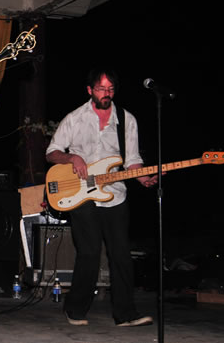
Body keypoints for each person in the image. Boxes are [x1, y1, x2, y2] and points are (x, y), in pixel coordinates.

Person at [45, 68, 155, 327]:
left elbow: (132, 160)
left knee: (121, 254)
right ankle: (75, 309)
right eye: (101, 89)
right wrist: (72, 157)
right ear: (89, 90)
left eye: (110, 90)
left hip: (114, 192)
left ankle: (125, 314)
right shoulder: (75, 118)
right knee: (90, 252)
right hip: (80, 192)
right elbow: (52, 152)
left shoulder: (126, 119)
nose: (106, 94)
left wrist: (141, 177)